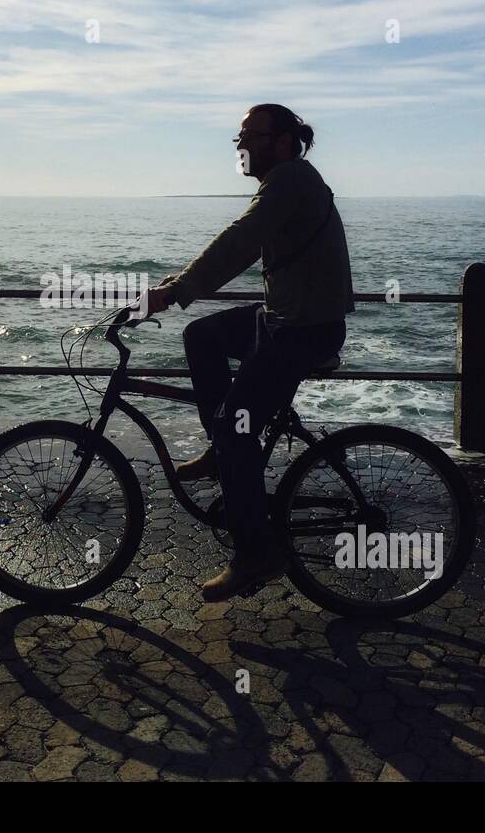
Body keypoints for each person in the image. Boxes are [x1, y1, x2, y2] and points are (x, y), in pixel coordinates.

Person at [144, 104, 354, 601]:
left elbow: (240, 242)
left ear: (282, 141)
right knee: (202, 336)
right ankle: (223, 454)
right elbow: (244, 244)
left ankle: (256, 552)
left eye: (250, 137)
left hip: (304, 331)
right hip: (283, 319)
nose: (241, 146)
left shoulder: (289, 182)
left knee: (236, 429)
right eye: (239, 138)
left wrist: (172, 291)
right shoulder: (287, 182)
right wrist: (178, 289)